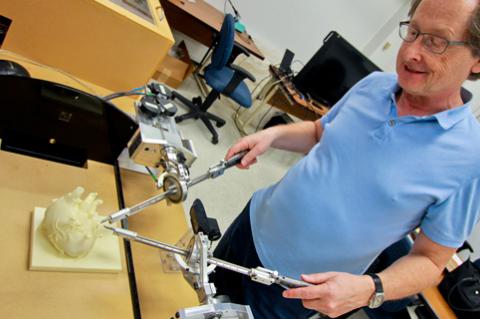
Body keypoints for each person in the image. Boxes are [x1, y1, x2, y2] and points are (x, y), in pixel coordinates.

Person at [210, 0, 480, 318]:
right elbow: (318, 133)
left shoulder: (469, 157)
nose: (410, 53)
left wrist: (370, 289)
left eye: (435, 41)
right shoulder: (374, 85)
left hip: (294, 286)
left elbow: (431, 261)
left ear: (477, 60)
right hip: (253, 223)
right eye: (413, 31)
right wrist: (273, 136)